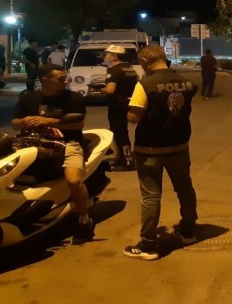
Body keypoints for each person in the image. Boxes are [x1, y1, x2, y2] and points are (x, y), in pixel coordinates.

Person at [124, 45, 199, 261]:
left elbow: (133, 118)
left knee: (151, 196)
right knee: (184, 189)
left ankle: (148, 244)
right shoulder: (187, 83)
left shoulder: (145, 84)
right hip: (179, 146)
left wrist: (126, 109)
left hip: (150, 149)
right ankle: (188, 231)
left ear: (145, 62)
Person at [11, 64, 95, 242]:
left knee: (73, 181)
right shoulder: (28, 98)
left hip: (69, 144)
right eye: (61, 79)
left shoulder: (74, 98)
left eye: (66, 78)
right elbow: (14, 124)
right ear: (45, 80)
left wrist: (47, 121)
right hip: (33, 145)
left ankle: (84, 220)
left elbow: (78, 124)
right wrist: (25, 120)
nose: (65, 81)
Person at [101, 45, 139, 171]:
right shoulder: (130, 68)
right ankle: (124, 157)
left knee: (119, 133)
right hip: (128, 102)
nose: (105, 56)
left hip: (117, 105)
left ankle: (126, 161)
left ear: (114, 56)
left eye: (107, 54)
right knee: (122, 131)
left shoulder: (114, 70)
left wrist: (102, 90)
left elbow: (110, 90)